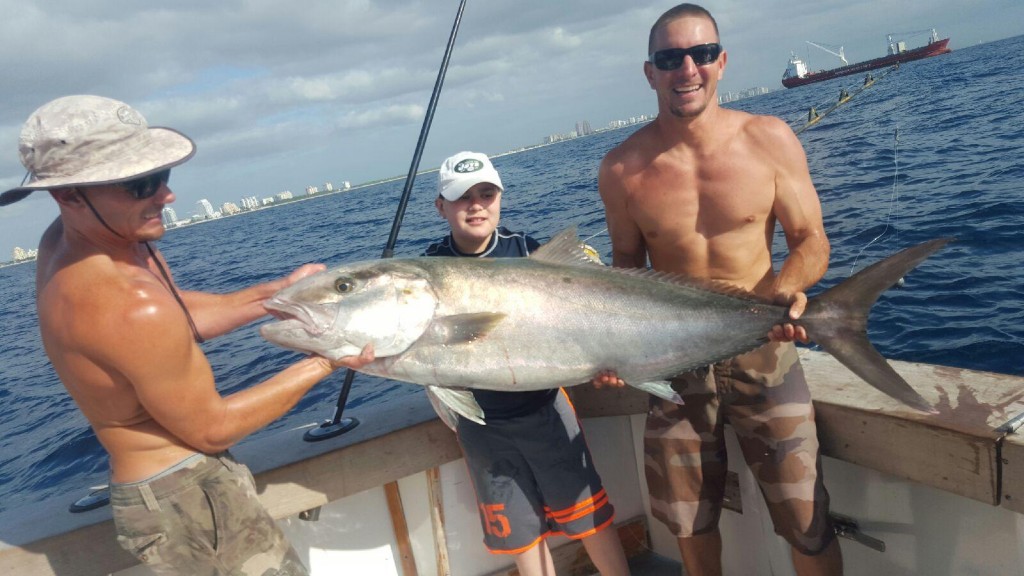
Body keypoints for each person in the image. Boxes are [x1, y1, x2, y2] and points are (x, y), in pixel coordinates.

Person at [1, 95, 373, 575]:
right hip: (183, 499)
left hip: (179, 491)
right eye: (140, 183)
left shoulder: (77, 239)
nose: (166, 196)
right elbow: (211, 427)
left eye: (162, 175)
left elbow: (179, 317)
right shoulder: (126, 301)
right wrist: (329, 358)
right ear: (69, 195)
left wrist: (278, 294)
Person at [596, 5, 843, 576]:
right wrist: (613, 348)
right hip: (672, 364)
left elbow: (811, 240)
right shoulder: (621, 169)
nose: (687, 68)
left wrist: (784, 291)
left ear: (721, 61)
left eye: (701, 53)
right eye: (670, 58)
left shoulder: (770, 139)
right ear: (650, 72)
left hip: (766, 352)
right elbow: (627, 265)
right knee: (687, 523)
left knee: (806, 521)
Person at [425, 151, 630, 576]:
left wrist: (612, 358)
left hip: (545, 411)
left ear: (500, 198)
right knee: (522, 534)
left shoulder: (529, 251)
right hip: (481, 426)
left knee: (587, 519)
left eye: (486, 193)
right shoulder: (427, 270)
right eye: (462, 197)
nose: (476, 205)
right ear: (441, 206)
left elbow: (589, 314)